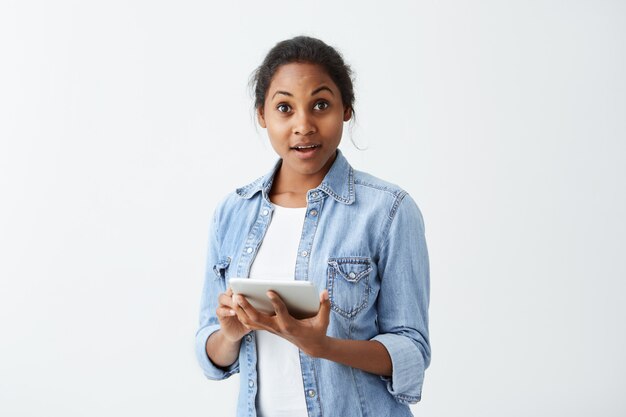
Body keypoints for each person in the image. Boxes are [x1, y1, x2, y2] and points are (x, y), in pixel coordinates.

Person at [195, 36, 430, 417]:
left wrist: (322, 346)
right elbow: (209, 353)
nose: (303, 125)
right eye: (284, 108)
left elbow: (412, 352)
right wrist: (230, 335)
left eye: (320, 105)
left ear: (346, 109)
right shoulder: (232, 212)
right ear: (262, 115)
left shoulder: (389, 210)